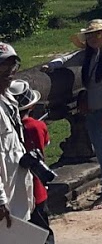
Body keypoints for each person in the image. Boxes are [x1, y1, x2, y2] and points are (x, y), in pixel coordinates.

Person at [46, 21, 102, 209]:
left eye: (97, 35)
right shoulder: (88, 57)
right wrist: (52, 65)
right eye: (89, 36)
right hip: (92, 112)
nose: (92, 39)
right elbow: (68, 59)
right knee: (101, 153)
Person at [10, 79, 51, 242]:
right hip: (36, 185)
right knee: (43, 232)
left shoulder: (12, 126)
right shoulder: (37, 126)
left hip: (15, 188)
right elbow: (45, 143)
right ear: (31, 106)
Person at [0, 44, 33, 230]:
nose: (10, 72)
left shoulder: (10, 99)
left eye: (13, 66)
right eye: (3, 67)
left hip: (16, 183)